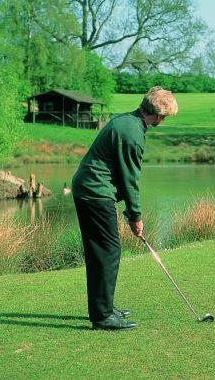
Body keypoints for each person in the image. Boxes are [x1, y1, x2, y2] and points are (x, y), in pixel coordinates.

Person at [72, 86, 178, 330]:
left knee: (101, 252)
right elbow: (130, 179)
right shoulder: (132, 134)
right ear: (159, 114)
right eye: (165, 116)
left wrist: (132, 214)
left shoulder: (128, 120)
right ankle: (102, 316)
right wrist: (135, 216)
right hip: (95, 192)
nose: (164, 120)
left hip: (90, 189)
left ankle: (104, 307)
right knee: (107, 252)